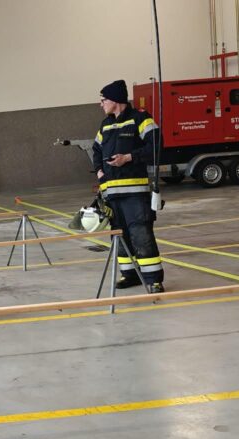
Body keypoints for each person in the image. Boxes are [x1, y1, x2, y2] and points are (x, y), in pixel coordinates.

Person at [92, 80, 165, 293]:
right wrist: (100, 173)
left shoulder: (140, 119)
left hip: (135, 194)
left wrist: (128, 157)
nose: (101, 104)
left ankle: (153, 280)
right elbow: (96, 150)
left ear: (115, 100)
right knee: (119, 235)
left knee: (141, 234)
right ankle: (130, 274)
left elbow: (156, 146)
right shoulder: (105, 125)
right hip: (112, 194)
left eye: (103, 100)